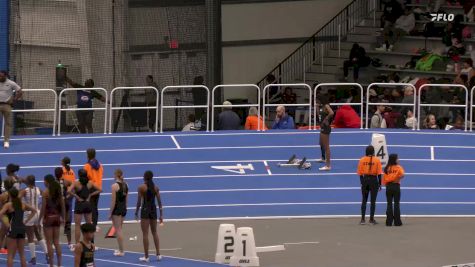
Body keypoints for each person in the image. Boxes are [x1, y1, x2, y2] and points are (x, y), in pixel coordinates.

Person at [0, 188, 37, 267]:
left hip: (13, 229)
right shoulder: (22, 204)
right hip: (22, 229)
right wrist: (26, 221)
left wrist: (6, 223)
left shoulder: (9, 205)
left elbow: (0, 214)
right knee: (22, 255)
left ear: (10, 195)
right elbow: (34, 210)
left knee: (10, 255)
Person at [135, 171, 163, 262]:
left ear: (145, 177)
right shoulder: (156, 188)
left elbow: (139, 202)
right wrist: (161, 215)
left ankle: (146, 257)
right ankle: (158, 254)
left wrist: (136, 212)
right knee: (154, 232)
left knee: (145, 234)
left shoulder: (141, 187)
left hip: (145, 210)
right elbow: (159, 202)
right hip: (153, 210)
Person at [21, 175, 47, 265]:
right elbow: (45, 196)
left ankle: (33, 258)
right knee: (38, 234)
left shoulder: (25, 191)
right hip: (37, 213)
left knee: (30, 237)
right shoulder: (38, 189)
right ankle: (47, 253)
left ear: (27, 182)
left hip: (29, 214)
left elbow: (17, 199)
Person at [70, 169, 101, 247]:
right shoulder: (90, 183)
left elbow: (69, 191)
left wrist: (76, 196)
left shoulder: (76, 183)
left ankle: (77, 244)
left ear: (79, 175)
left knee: (77, 226)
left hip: (79, 205)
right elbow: (100, 190)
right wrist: (90, 195)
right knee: (89, 225)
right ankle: (91, 244)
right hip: (87, 204)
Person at [40, 174, 65, 267]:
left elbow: (43, 208)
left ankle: (51, 265)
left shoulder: (45, 193)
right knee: (57, 242)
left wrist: (40, 219)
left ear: (47, 182)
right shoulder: (58, 192)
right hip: (57, 218)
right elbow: (62, 206)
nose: (43, 182)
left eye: (44, 181)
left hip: (48, 218)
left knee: (49, 243)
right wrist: (64, 218)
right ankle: (59, 264)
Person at [357, 145, 383, 225]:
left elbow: (360, 174)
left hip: (365, 180)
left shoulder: (362, 160)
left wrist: (362, 182)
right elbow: (379, 174)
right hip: (373, 180)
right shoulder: (377, 160)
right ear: (373, 152)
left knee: (364, 200)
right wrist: (380, 184)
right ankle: (371, 219)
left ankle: (362, 219)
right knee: (373, 201)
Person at [0, 70, 22, 149]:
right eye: (0, 76)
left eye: (2, 76)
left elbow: (19, 91)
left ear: (6, 76)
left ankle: (6, 141)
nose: (0, 77)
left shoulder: (11, 83)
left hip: (7, 105)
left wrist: (15, 99)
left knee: (8, 123)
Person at [109, 169, 128, 257]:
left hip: (116, 210)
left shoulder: (114, 186)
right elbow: (126, 199)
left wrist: (110, 212)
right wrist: (125, 209)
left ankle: (121, 251)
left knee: (118, 230)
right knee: (120, 229)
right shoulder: (126, 185)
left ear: (116, 175)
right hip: (123, 209)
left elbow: (113, 201)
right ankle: (120, 249)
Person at [84, 148, 103, 232]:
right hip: (98, 187)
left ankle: (91, 224)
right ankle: (95, 224)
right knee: (95, 206)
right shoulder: (100, 165)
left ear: (88, 155)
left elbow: (85, 177)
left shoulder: (87, 166)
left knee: (90, 207)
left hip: (91, 187)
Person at [55, 166, 74, 251]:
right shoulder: (66, 182)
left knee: (56, 224)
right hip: (65, 204)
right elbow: (73, 187)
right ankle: (69, 243)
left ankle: (54, 242)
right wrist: (68, 195)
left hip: (57, 205)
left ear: (55, 175)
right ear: (62, 174)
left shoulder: (53, 183)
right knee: (67, 223)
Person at [382, 154, 405, 227]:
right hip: (396, 186)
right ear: (394, 160)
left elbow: (384, 179)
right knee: (396, 204)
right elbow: (402, 175)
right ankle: (397, 222)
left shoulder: (387, 168)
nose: (398, 160)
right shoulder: (399, 167)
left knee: (389, 204)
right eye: (397, 159)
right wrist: (397, 178)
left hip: (388, 187)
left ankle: (388, 222)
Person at [316, 95, 334, 171]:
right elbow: (319, 116)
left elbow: (332, 113)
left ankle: (328, 165)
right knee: (321, 143)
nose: (316, 102)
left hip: (326, 128)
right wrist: (316, 107)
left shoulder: (326, 106)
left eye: (317, 100)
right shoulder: (320, 107)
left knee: (326, 147)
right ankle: (323, 158)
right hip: (322, 127)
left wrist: (326, 118)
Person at [61, 156, 75, 251]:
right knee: (68, 214)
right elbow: (73, 183)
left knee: (60, 213)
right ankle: (69, 242)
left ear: (63, 163)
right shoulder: (72, 171)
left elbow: (62, 181)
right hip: (70, 194)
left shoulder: (61, 170)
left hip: (63, 193)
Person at [0, 179, 14, 255]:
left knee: (3, 232)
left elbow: (0, 208)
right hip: (12, 214)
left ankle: (3, 247)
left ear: (4, 186)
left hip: (4, 214)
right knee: (8, 231)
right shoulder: (15, 194)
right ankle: (6, 247)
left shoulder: (2, 195)